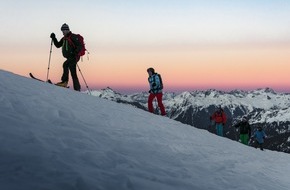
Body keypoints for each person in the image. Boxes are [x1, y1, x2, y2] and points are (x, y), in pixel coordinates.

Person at [50, 23, 81, 91]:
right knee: (73, 73)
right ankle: (77, 88)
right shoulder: (64, 38)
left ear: (67, 30)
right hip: (70, 58)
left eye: (63, 31)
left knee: (65, 65)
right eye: (62, 31)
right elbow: (58, 45)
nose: (63, 32)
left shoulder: (73, 37)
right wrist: (54, 38)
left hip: (74, 57)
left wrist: (75, 53)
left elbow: (79, 46)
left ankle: (64, 82)